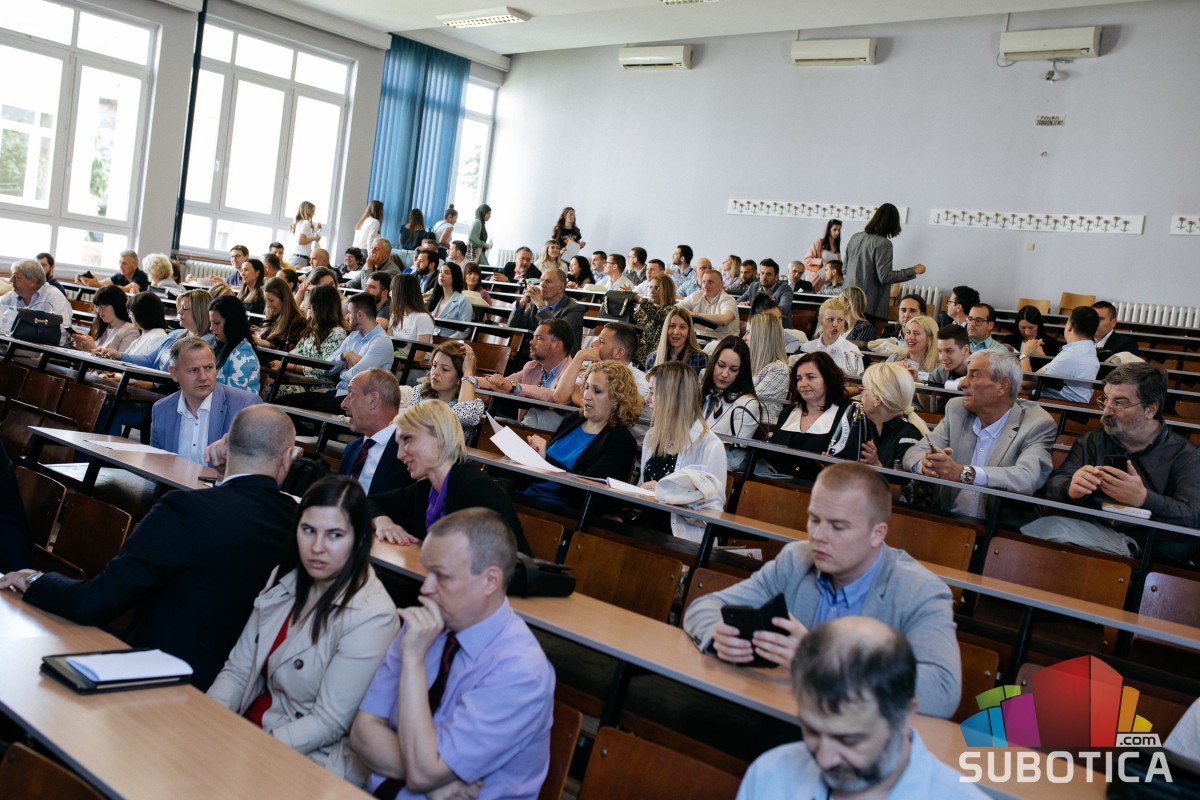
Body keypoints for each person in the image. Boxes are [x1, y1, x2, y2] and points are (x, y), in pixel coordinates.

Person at [0, 406, 299, 690]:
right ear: (287, 458)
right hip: (240, 685)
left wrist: (35, 579)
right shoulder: (299, 522)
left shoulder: (186, 510)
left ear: (225, 446)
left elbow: (95, 603)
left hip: (157, 672)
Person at [683, 462, 961, 720]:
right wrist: (718, 635)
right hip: (783, 716)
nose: (818, 536)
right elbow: (704, 607)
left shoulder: (920, 591)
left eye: (838, 526)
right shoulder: (795, 559)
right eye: (814, 520)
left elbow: (942, 690)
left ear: (878, 533)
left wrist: (823, 661)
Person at [208, 476, 399, 784]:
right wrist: (209, 721)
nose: (317, 547)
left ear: (360, 539)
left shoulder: (373, 614)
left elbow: (328, 722)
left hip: (307, 760)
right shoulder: (285, 578)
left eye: (334, 535)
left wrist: (244, 747)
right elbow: (238, 670)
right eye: (308, 530)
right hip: (247, 729)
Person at [351, 508, 552, 799]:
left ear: (490, 581)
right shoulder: (425, 625)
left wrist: (413, 661)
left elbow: (423, 774)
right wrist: (433, 779)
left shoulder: (520, 672)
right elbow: (362, 732)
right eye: (427, 572)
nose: (425, 588)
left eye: (442, 576)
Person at [735, 617, 985, 799]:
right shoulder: (769, 774)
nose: (824, 759)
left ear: (905, 716)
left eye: (849, 740)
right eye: (811, 730)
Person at [1022, 363, 1200, 560]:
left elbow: (1193, 516)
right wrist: (1070, 487)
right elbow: (1053, 486)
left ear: (1150, 410)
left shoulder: (1187, 456)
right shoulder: (1093, 441)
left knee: (1044, 533)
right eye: (1106, 399)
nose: (1106, 412)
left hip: (1147, 547)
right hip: (1089, 528)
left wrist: (1144, 498)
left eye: (1119, 403)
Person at [903, 351, 1056, 518]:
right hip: (948, 519)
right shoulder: (957, 409)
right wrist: (926, 465)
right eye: (966, 375)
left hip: (999, 527)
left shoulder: (1036, 423)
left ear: (1002, 386)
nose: (962, 383)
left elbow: (1027, 477)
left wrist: (964, 473)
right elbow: (913, 453)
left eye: (974, 376)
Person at [368, 402, 529, 553]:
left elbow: (502, 558)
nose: (399, 454)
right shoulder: (426, 489)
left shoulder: (476, 488)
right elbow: (369, 503)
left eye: (407, 439)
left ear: (440, 436)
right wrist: (383, 521)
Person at [521, 360, 643, 510]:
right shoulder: (573, 419)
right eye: (586, 387)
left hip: (561, 510)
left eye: (597, 391)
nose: (586, 395)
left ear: (616, 399)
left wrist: (546, 459)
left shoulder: (621, 442)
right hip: (526, 493)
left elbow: (589, 488)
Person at [640, 361, 728, 542]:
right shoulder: (652, 437)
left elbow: (713, 515)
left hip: (680, 537)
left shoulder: (711, 446)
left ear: (672, 398)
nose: (647, 399)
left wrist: (670, 496)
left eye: (653, 393)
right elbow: (643, 487)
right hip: (644, 526)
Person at [150, 337, 262, 464]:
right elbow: (156, 465)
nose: (203, 377)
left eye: (209, 368)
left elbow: (257, 464)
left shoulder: (245, 407)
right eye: (194, 370)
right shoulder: (161, 410)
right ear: (174, 373)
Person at [281, 294, 394, 413]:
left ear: (360, 315)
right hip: (340, 392)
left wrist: (341, 370)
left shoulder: (381, 342)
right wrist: (343, 356)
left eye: (349, 312)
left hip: (361, 401)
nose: (346, 317)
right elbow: (326, 367)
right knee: (285, 401)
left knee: (314, 409)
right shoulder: (354, 336)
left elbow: (355, 377)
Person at [761, 352, 854, 480]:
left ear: (828, 379)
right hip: (777, 485)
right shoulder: (787, 413)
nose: (803, 384)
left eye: (810, 377)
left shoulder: (846, 418)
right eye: (799, 378)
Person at [844, 204, 926, 321]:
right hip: (867, 305)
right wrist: (913, 270)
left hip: (846, 300)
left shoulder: (855, 237)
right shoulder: (884, 244)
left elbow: (844, 269)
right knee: (864, 333)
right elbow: (885, 277)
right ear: (893, 223)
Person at [339, 369, 412, 495]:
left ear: (373, 400)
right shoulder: (352, 449)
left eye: (351, 394)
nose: (343, 404)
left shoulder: (409, 452)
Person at [272, 284, 349, 398]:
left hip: (318, 386)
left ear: (322, 307)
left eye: (312, 304)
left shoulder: (338, 333)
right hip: (299, 380)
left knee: (271, 389)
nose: (308, 307)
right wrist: (279, 362)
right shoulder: (312, 329)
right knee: (266, 383)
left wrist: (288, 366)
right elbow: (294, 354)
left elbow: (324, 368)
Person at [551, 322, 649, 408]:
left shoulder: (641, 381)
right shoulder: (595, 369)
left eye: (601, 341)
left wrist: (581, 399)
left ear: (619, 352)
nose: (593, 345)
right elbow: (559, 398)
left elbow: (617, 412)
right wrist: (579, 357)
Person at [700, 336, 761, 471]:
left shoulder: (748, 404)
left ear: (742, 372)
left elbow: (733, 457)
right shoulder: (702, 392)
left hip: (716, 470)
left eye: (733, 369)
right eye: (721, 365)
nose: (724, 374)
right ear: (713, 363)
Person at [1020, 305, 1100, 403]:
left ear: (1070, 325)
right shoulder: (1088, 351)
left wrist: (1025, 352)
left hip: (1054, 407)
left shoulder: (1071, 354)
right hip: (1066, 406)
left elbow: (1026, 382)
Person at [857, 363, 929, 470]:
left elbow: (904, 480)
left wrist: (876, 466)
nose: (861, 396)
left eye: (863, 389)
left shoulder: (908, 436)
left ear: (877, 400)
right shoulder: (863, 425)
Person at [405, 341, 485, 434]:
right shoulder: (420, 391)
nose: (435, 372)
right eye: (434, 365)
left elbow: (464, 414)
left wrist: (467, 372)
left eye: (445, 369)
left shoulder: (475, 405)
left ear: (460, 377)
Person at [508, 267, 584, 355]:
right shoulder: (535, 305)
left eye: (548, 281)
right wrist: (522, 303)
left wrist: (541, 305)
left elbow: (558, 334)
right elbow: (513, 326)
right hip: (535, 355)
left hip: (561, 358)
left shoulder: (574, 309)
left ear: (560, 288)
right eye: (541, 280)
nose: (542, 285)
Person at [1, 260, 74, 345]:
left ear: (33, 281)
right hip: (12, 344)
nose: (10, 280)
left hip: (41, 348)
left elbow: (63, 331)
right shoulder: (13, 295)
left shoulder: (54, 297)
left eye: (17, 277)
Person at [209, 295, 261, 394]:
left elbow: (234, 397)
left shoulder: (243, 353)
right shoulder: (216, 345)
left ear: (232, 322)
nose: (211, 328)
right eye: (211, 322)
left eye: (216, 323)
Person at [744, 313, 790, 425]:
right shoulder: (748, 364)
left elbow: (748, 402)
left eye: (748, 332)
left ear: (760, 338)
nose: (744, 337)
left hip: (759, 430)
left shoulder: (779, 369)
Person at [801, 297, 864, 377]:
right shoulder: (807, 348)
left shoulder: (852, 350)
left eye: (840, 320)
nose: (835, 324)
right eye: (830, 319)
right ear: (820, 321)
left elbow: (855, 383)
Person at [70, 285, 139, 354]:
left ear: (116, 305)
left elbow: (120, 360)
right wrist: (83, 346)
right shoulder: (103, 326)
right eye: (97, 306)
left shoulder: (130, 331)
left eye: (102, 306)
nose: (98, 310)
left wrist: (92, 349)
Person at [644, 306, 708, 376]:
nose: (676, 332)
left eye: (682, 327)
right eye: (672, 326)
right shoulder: (652, 358)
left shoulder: (700, 358)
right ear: (666, 330)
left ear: (689, 332)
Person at [678, 268, 739, 340]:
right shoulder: (696, 296)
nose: (705, 286)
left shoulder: (728, 300)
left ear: (721, 285)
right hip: (699, 340)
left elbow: (725, 320)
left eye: (710, 282)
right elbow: (675, 308)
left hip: (722, 342)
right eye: (703, 282)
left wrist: (694, 315)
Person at [633, 273, 677, 367]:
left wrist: (640, 300)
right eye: (650, 287)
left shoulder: (671, 310)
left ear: (666, 290)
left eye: (657, 288)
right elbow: (634, 324)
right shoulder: (645, 307)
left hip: (655, 357)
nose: (652, 291)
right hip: (636, 354)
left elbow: (657, 317)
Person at [738, 258, 793, 329]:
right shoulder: (754, 286)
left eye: (768, 274)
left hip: (779, 329)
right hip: (757, 327)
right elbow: (738, 301)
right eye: (762, 273)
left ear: (776, 277)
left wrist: (757, 308)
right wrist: (742, 304)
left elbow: (783, 309)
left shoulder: (784, 289)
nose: (764, 277)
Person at [256, 277, 307, 351]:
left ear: (284, 299)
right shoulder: (274, 316)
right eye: (266, 301)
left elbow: (291, 352)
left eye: (271, 301)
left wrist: (268, 345)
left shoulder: (299, 322)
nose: (268, 305)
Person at [887, 315, 940, 382]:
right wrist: (890, 369)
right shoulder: (895, 358)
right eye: (908, 332)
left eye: (916, 333)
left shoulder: (938, 370)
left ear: (930, 339)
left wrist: (917, 377)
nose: (910, 337)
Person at [385, 274, 435, 341]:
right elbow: (388, 342)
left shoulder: (423, 318)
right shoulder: (395, 314)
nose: (390, 293)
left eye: (393, 289)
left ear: (402, 292)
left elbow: (420, 347)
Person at [76, 249, 149, 294]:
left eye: (124, 263)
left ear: (135, 266)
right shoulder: (119, 276)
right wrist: (85, 281)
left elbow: (126, 289)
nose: (120, 266)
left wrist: (96, 285)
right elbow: (100, 284)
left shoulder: (141, 276)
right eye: (120, 262)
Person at [928, 324, 972, 388]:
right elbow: (928, 395)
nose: (943, 358)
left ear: (965, 350)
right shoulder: (938, 374)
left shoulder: (983, 373)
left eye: (949, 351)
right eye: (940, 351)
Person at [287, 201, 322, 267]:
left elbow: (306, 237)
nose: (314, 214)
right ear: (307, 211)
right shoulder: (306, 223)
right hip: (300, 259)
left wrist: (316, 230)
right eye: (312, 211)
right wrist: (315, 238)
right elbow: (301, 241)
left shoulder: (299, 223)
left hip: (294, 257)